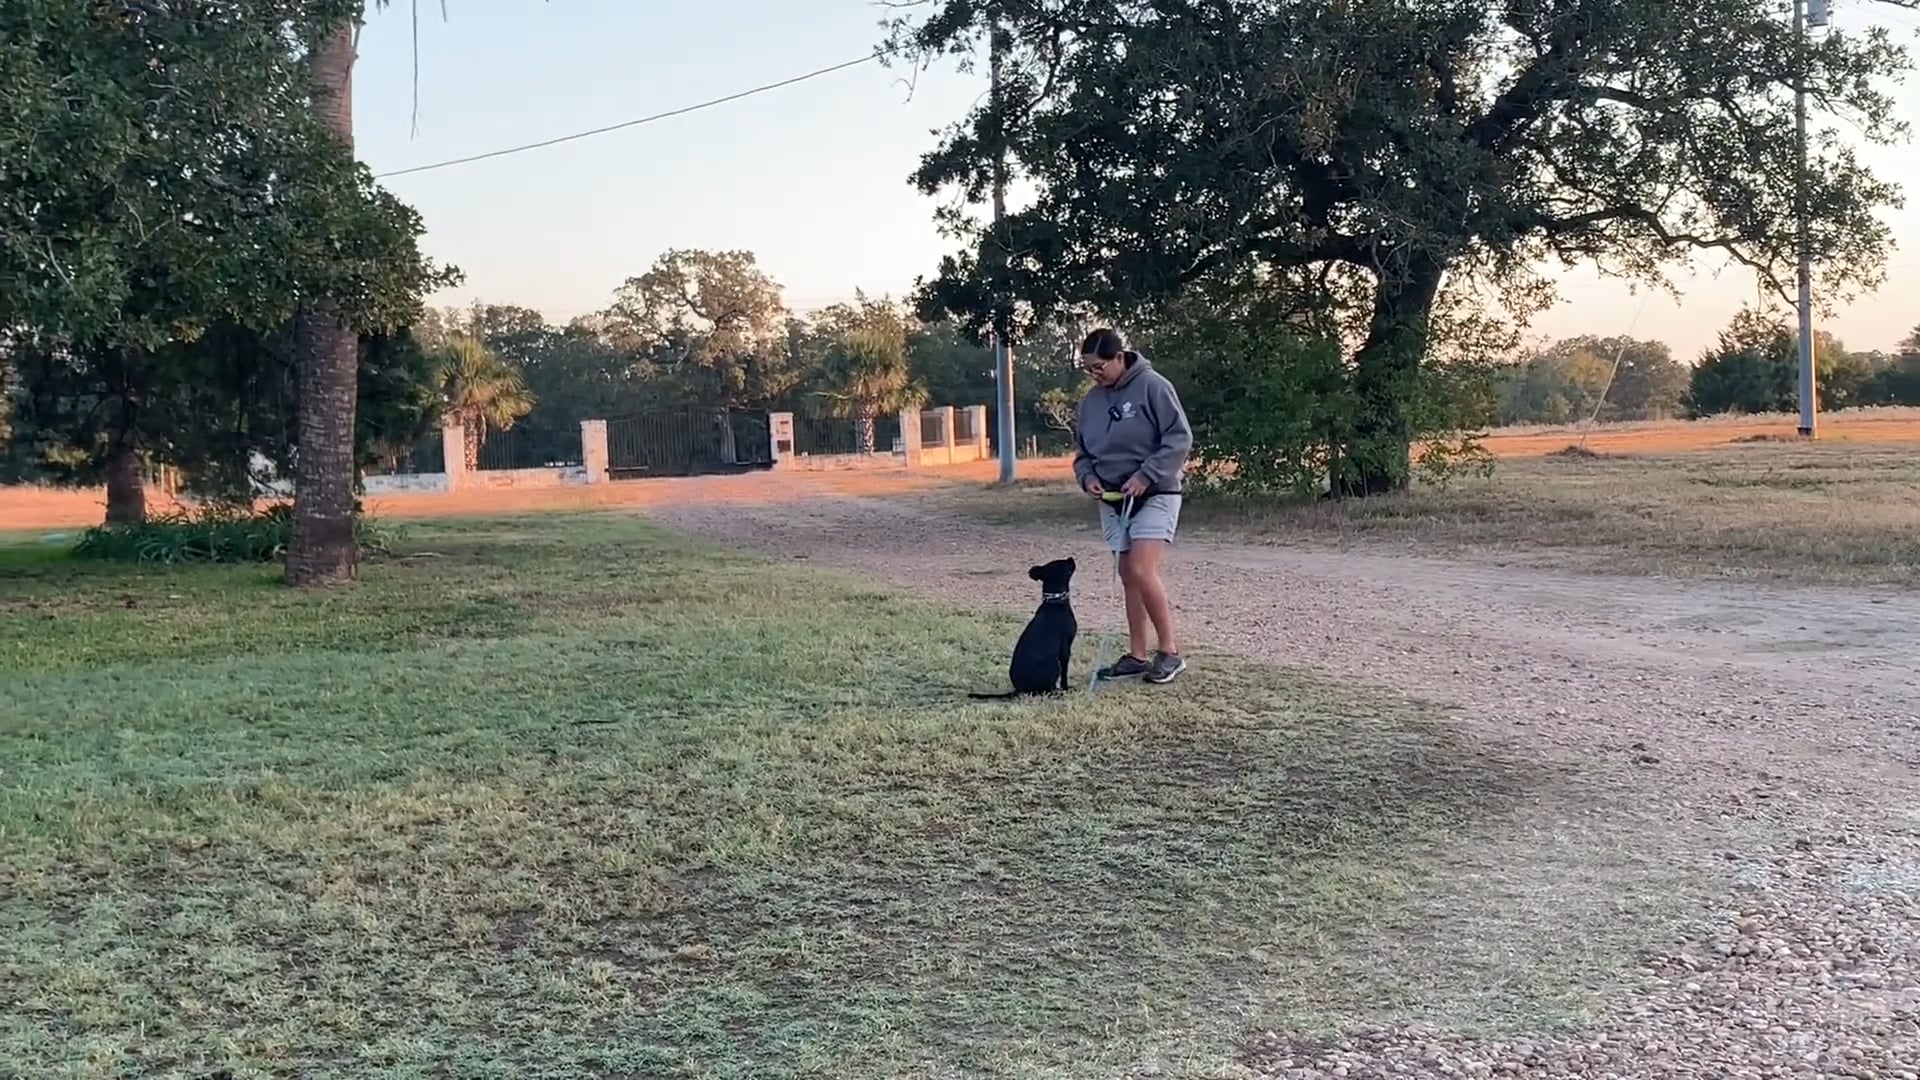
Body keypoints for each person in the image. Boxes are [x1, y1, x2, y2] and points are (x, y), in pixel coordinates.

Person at [1071, 327, 1193, 684]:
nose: (1095, 374)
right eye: (1088, 369)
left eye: (1099, 366)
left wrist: (1145, 476)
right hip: (1112, 499)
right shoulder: (1092, 401)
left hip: (1155, 493)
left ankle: (1169, 652)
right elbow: (1082, 453)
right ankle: (1137, 655)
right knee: (1127, 574)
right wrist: (1087, 478)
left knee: (1141, 568)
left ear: (1120, 357)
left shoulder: (1154, 386)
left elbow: (1179, 439)